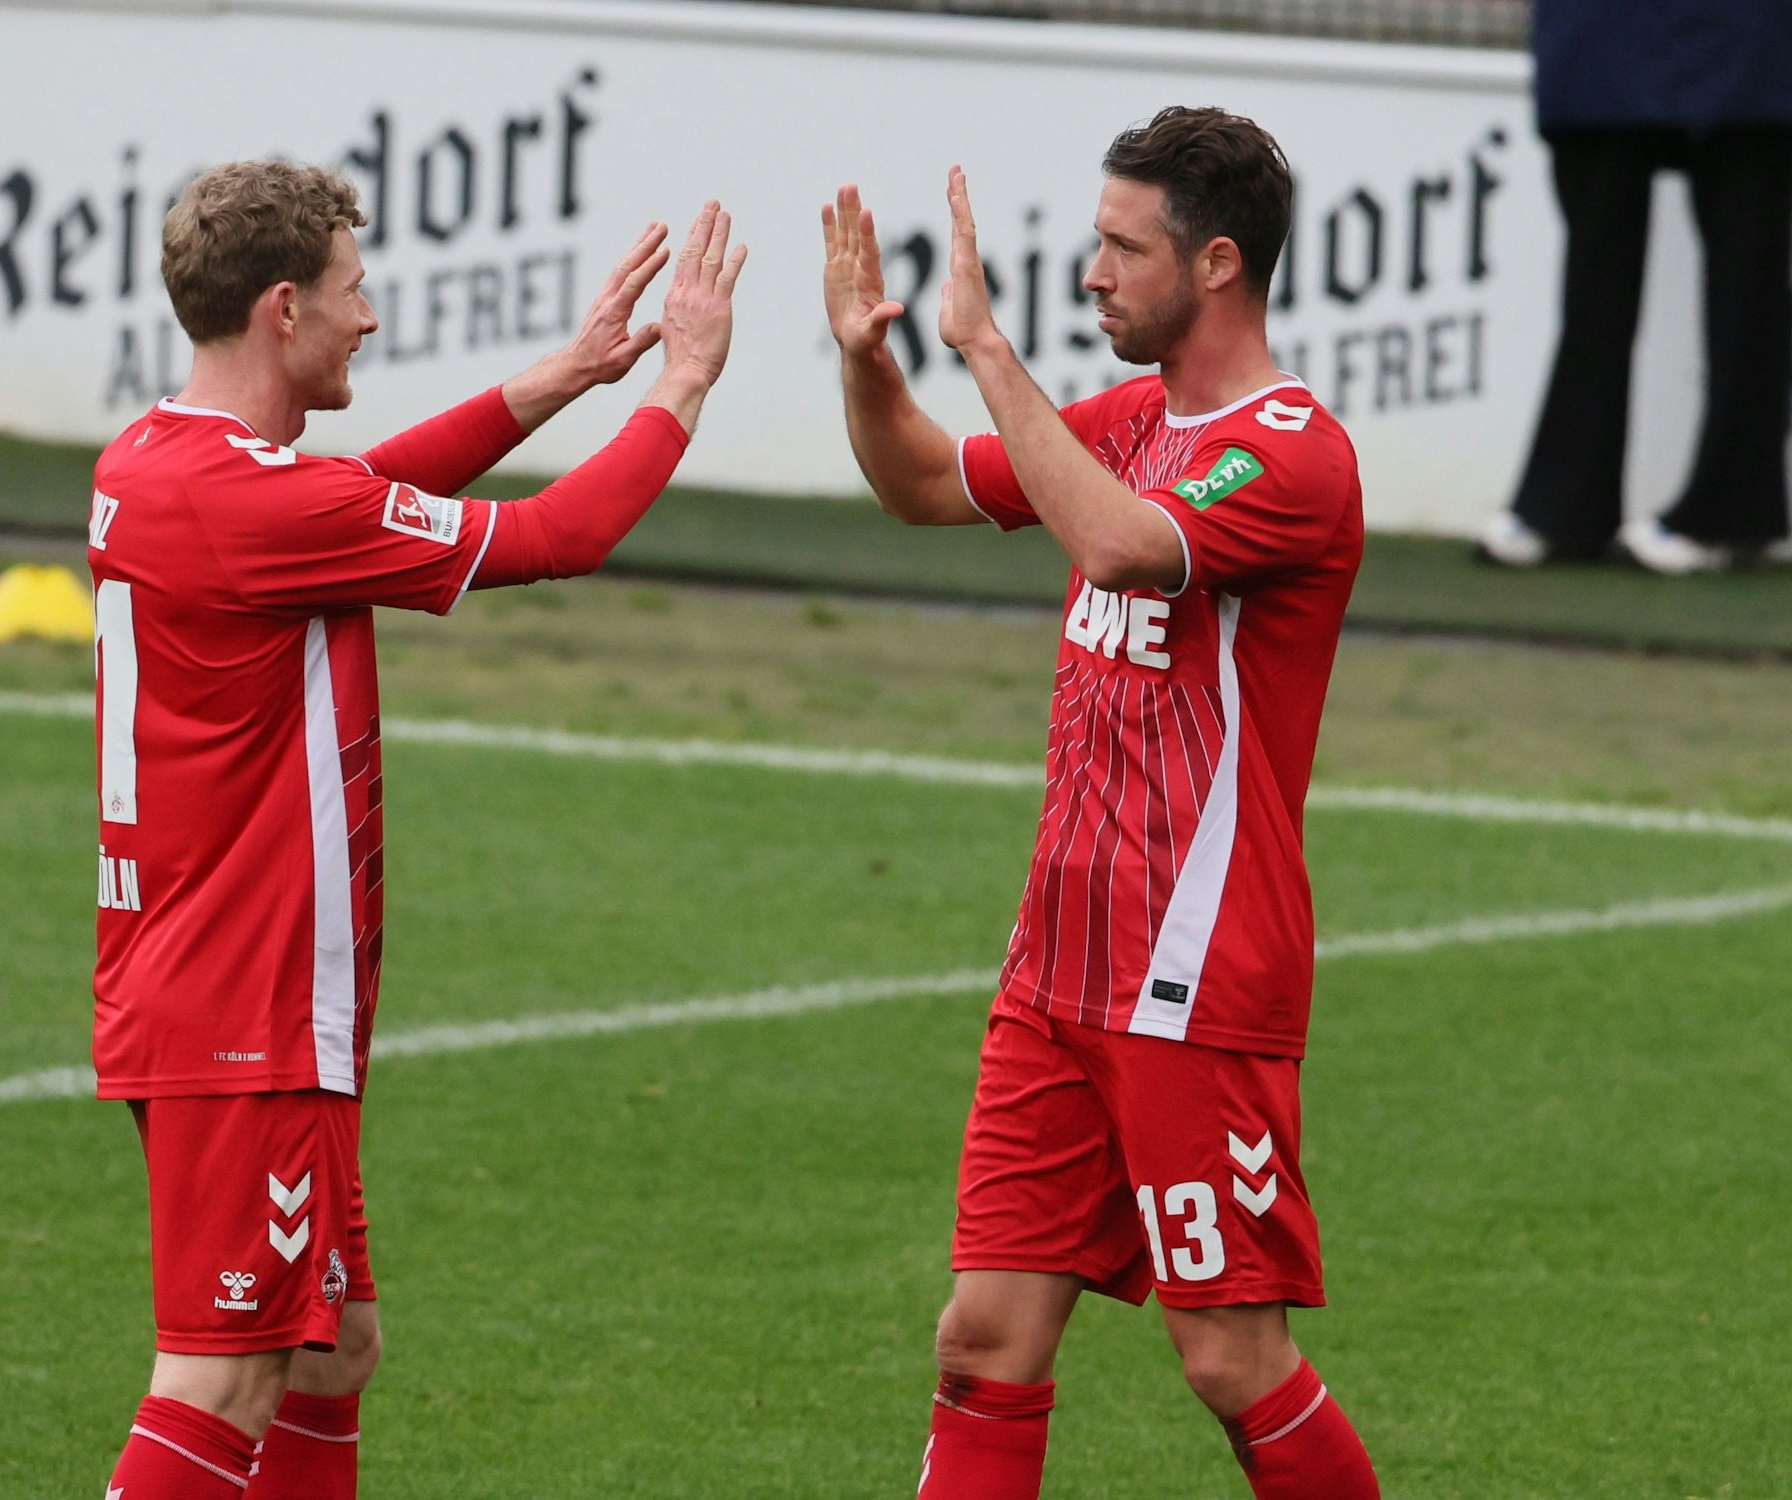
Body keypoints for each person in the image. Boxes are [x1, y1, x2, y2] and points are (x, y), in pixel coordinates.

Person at [90, 159, 743, 1499]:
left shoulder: (164, 463)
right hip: (241, 1012)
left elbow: (359, 495)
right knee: (222, 1376)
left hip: (215, 991)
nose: (370, 316)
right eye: (353, 289)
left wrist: (561, 379)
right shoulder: (259, 504)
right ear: (284, 308)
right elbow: (560, 535)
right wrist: (682, 382)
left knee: (334, 1353)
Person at [823, 107, 1379, 1499]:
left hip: (1190, 976)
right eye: (1094, 243)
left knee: (1229, 1356)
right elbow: (923, 484)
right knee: (984, 1338)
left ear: (1219, 267)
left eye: (1123, 250)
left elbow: (1130, 548)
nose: (1093, 274)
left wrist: (988, 354)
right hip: (1058, 972)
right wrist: (866, 363)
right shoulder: (1130, 419)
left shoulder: (1293, 453)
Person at [1480, 0, 1792, 573]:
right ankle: (1564, 508)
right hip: (1603, 33)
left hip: (1754, 36)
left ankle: (1728, 513)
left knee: (1750, 289)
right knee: (1594, 286)